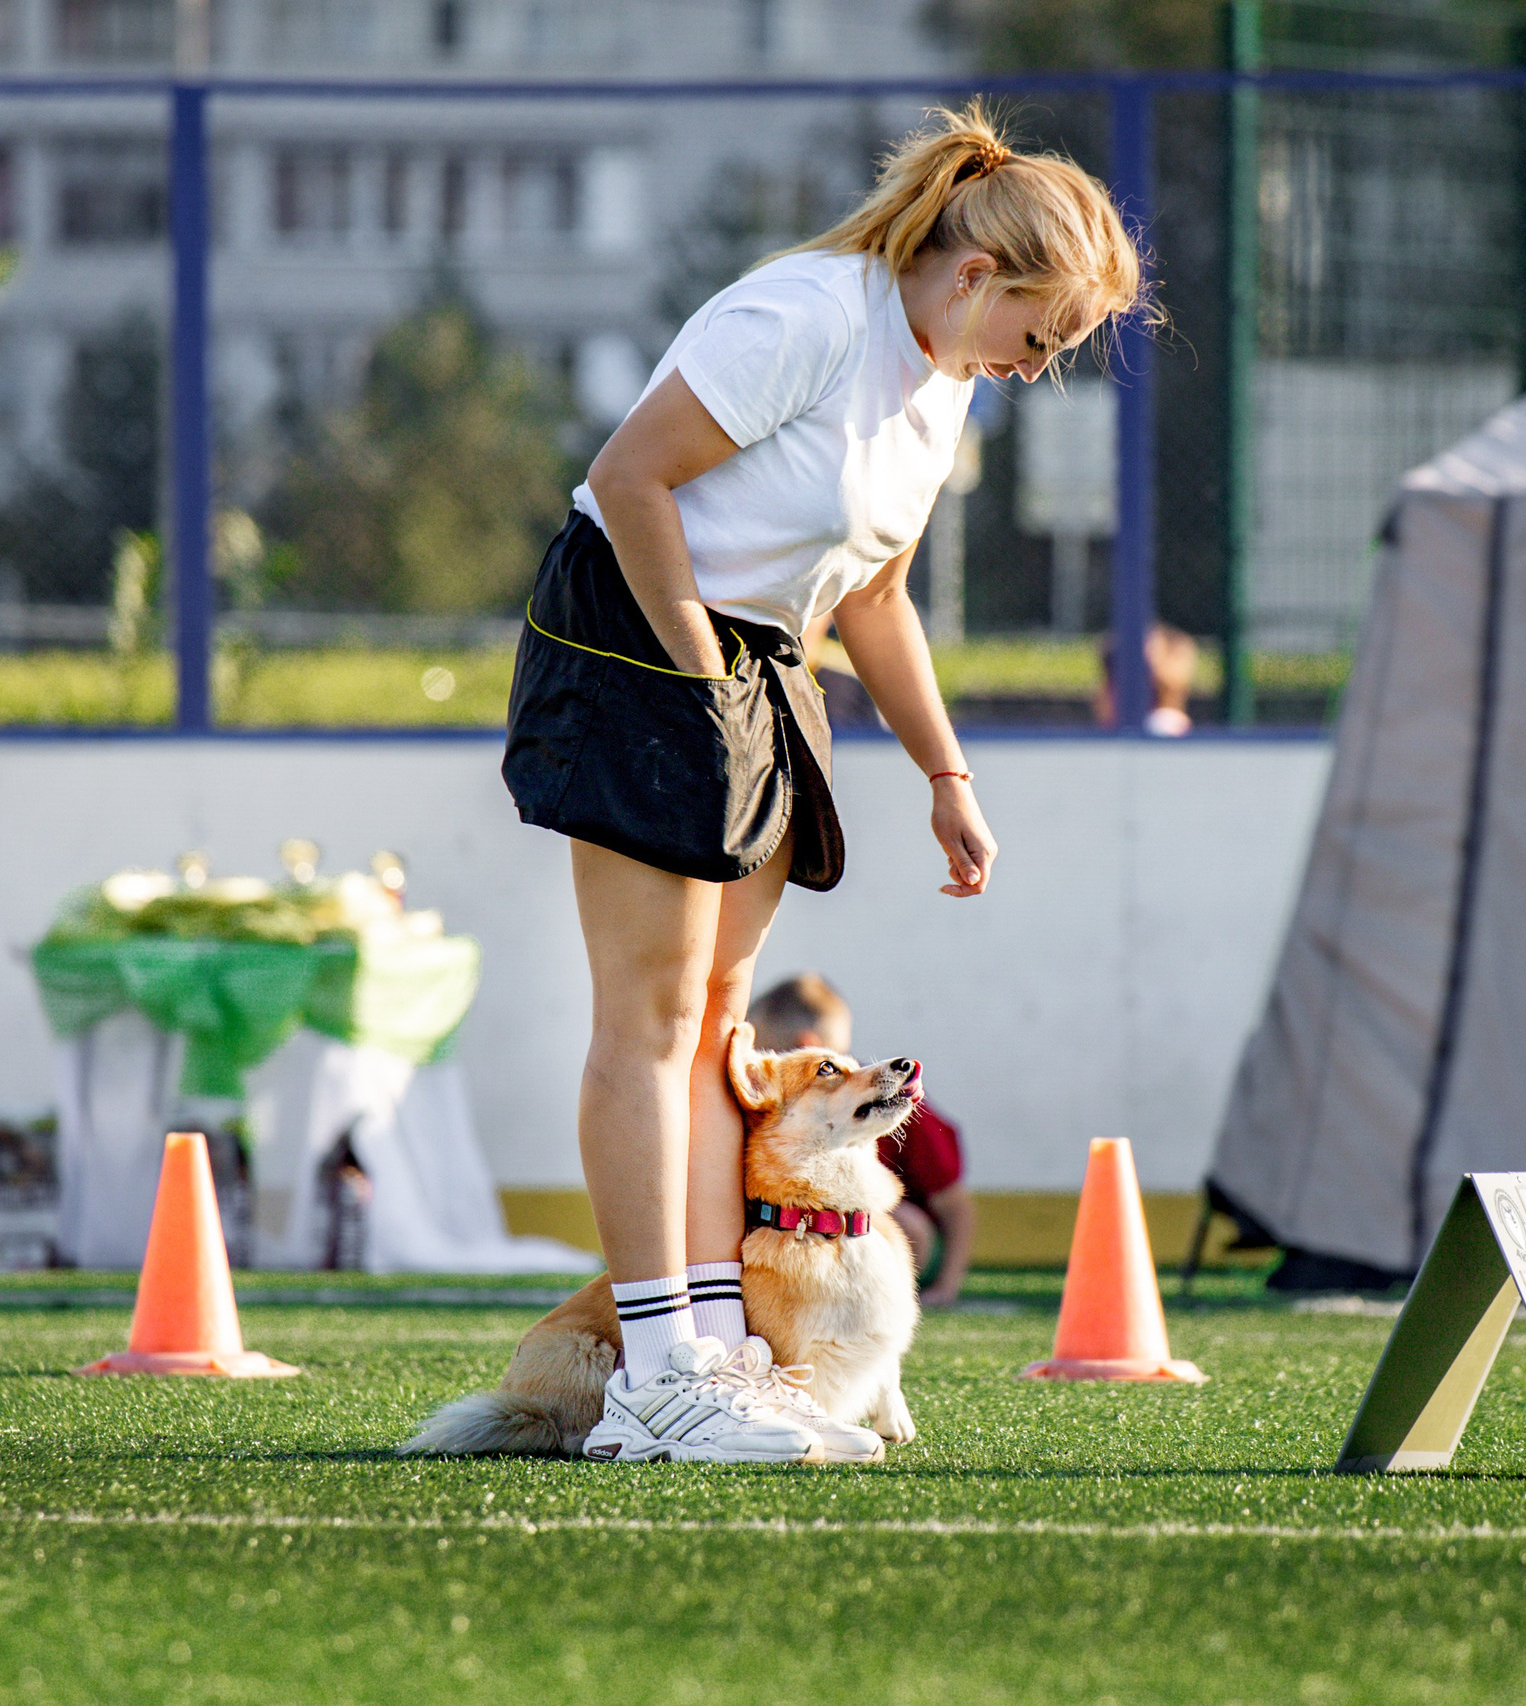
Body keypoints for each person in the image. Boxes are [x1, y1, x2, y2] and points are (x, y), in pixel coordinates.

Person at [500, 106, 1141, 1463]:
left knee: (721, 1031)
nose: (1038, 369)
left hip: (759, 657)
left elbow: (882, 592)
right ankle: (660, 1378)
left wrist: (945, 773)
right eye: (1043, 339)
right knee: (652, 1018)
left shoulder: (943, 380)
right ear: (977, 278)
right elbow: (631, 477)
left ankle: (719, 1357)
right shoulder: (806, 313)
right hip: (645, 629)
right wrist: (688, 665)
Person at [748, 972, 977, 1308]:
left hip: (908, 1243)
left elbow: (955, 1207)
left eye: (769, 1054)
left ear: (806, 1048)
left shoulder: (901, 1110)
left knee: (901, 1223)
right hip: (810, 1240)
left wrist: (947, 1286)